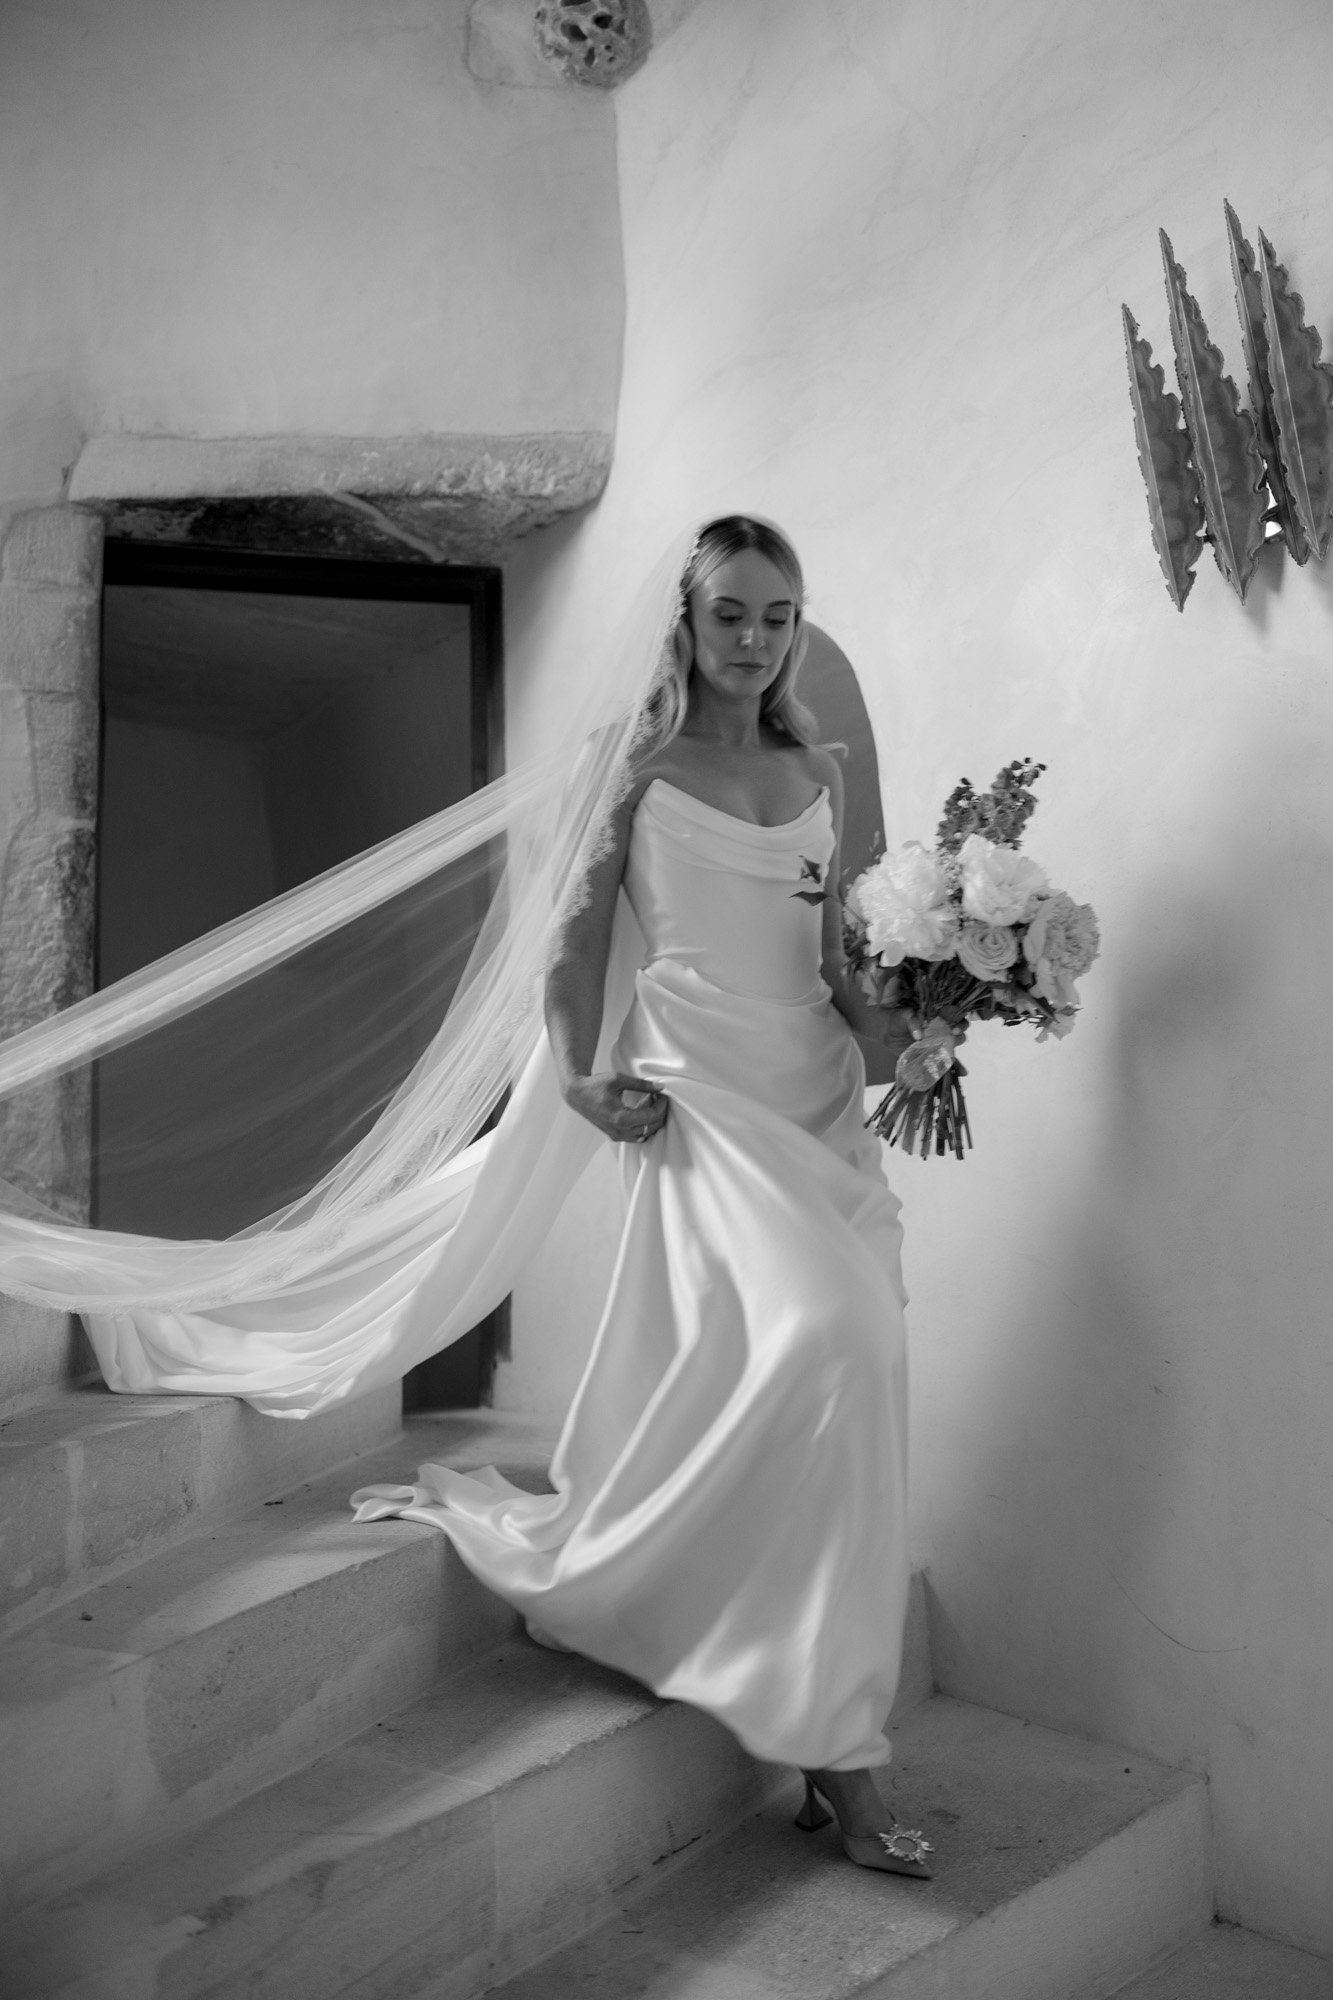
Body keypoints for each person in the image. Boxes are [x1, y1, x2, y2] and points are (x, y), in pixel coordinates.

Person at [352, 517, 935, 1877]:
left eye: (777, 616)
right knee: (836, 1341)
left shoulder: (818, 771)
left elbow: (841, 968)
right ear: (685, 621)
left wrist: (916, 1030)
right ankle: (840, 1749)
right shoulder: (636, 764)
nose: (754, 640)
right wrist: (573, 1076)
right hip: (699, 1099)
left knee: (840, 1374)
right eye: (730, 613)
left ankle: (791, 1664)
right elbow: (570, 948)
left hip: (816, 1107)